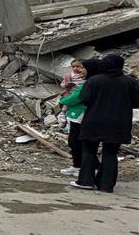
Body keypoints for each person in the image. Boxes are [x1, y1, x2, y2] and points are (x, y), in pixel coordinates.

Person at [70, 55, 139, 193]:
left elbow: (84, 99)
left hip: (94, 120)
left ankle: (85, 181)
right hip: (119, 122)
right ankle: (106, 185)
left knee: (89, 150)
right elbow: (137, 102)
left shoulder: (95, 80)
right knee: (111, 152)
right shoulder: (130, 82)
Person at [57, 58, 101, 178]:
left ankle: (90, 166)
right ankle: (77, 165)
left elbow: (77, 97)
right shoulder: (88, 81)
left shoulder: (90, 83)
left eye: (82, 67)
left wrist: (63, 100)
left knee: (77, 142)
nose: (80, 70)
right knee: (75, 141)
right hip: (76, 114)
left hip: (80, 115)